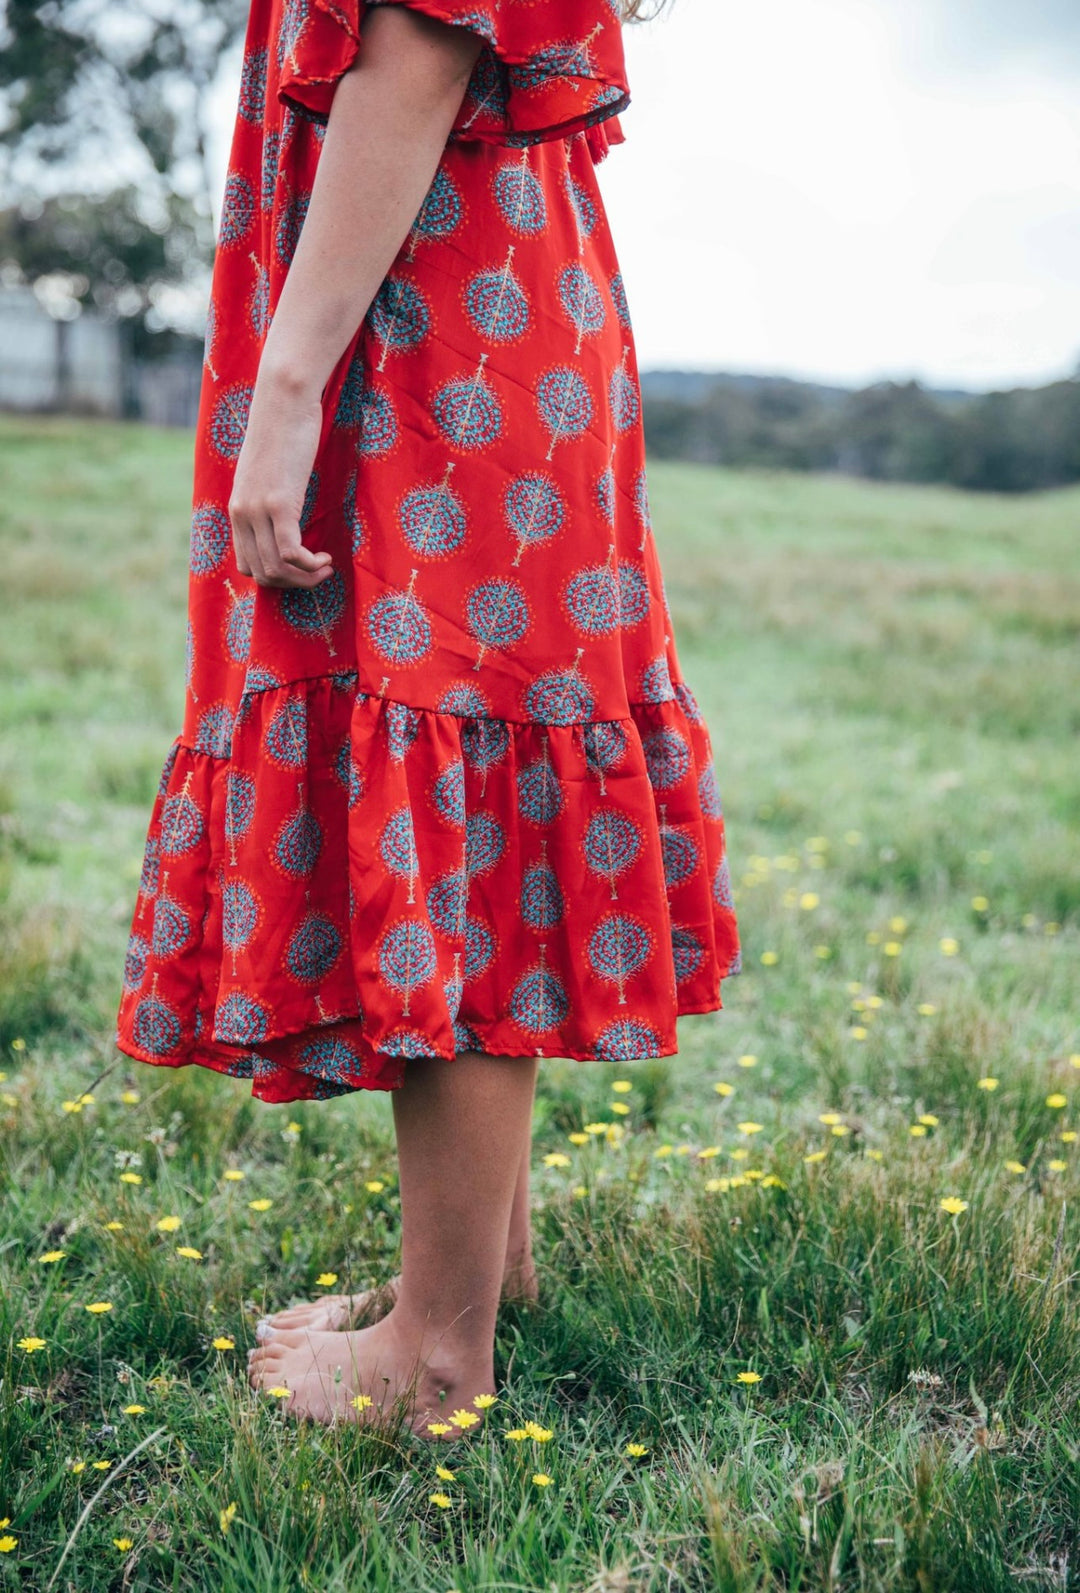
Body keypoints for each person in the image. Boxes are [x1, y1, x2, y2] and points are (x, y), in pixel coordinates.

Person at [114, 0, 741, 1436]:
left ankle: (437, 1358)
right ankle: (478, 1275)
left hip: (426, 324)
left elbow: (418, 47)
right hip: (476, 293)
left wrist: (290, 381)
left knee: (451, 747)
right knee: (472, 755)